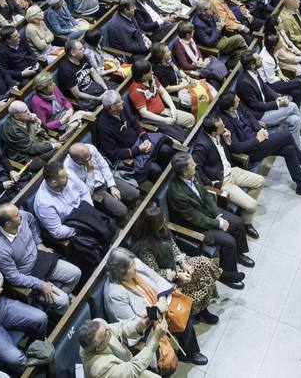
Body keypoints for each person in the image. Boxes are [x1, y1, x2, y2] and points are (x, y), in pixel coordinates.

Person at [102, 249, 206, 370]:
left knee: (181, 317)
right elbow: (131, 326)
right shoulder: (114, 294)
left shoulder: (135, 263)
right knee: (167, 365)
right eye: (131, 267)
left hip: (159, 304)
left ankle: (190, 353)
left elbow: (156, 278)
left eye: (133, 263)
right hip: (146, 327)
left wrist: (161, 299)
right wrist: (157, 311)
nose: (135, 267)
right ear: (120, 272)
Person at [165, 153, 252, 289]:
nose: (196, 165)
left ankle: (238, 254)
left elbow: (205, 194)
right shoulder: (177, 193)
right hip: (195, 226)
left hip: (208, 213)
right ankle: (227, 274)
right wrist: (219, 223)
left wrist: (217, 215)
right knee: (229, 241)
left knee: (238, 222)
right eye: (192, 165)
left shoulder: (193, 174)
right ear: (185, 171)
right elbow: (195, 218)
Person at [0, 203, 81, 313]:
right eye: (17, 215)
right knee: (63, 301)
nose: (20, 215)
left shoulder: (23, 217)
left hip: (42, 260)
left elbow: (32, 221)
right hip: (29, 276)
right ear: (8, 224)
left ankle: (54, 305)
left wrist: (38, 242)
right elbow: (14, 277)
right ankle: (59, 313)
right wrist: (41, 285)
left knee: (76, 273)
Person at [79, 314, 165, 378]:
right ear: (98, 347)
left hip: (129, 365)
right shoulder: (100, 368)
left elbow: (120, 329)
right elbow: (132, 370)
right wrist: (155, 339)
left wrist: (140, 326)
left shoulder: (99, 325)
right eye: (106, 332)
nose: (109, 329)